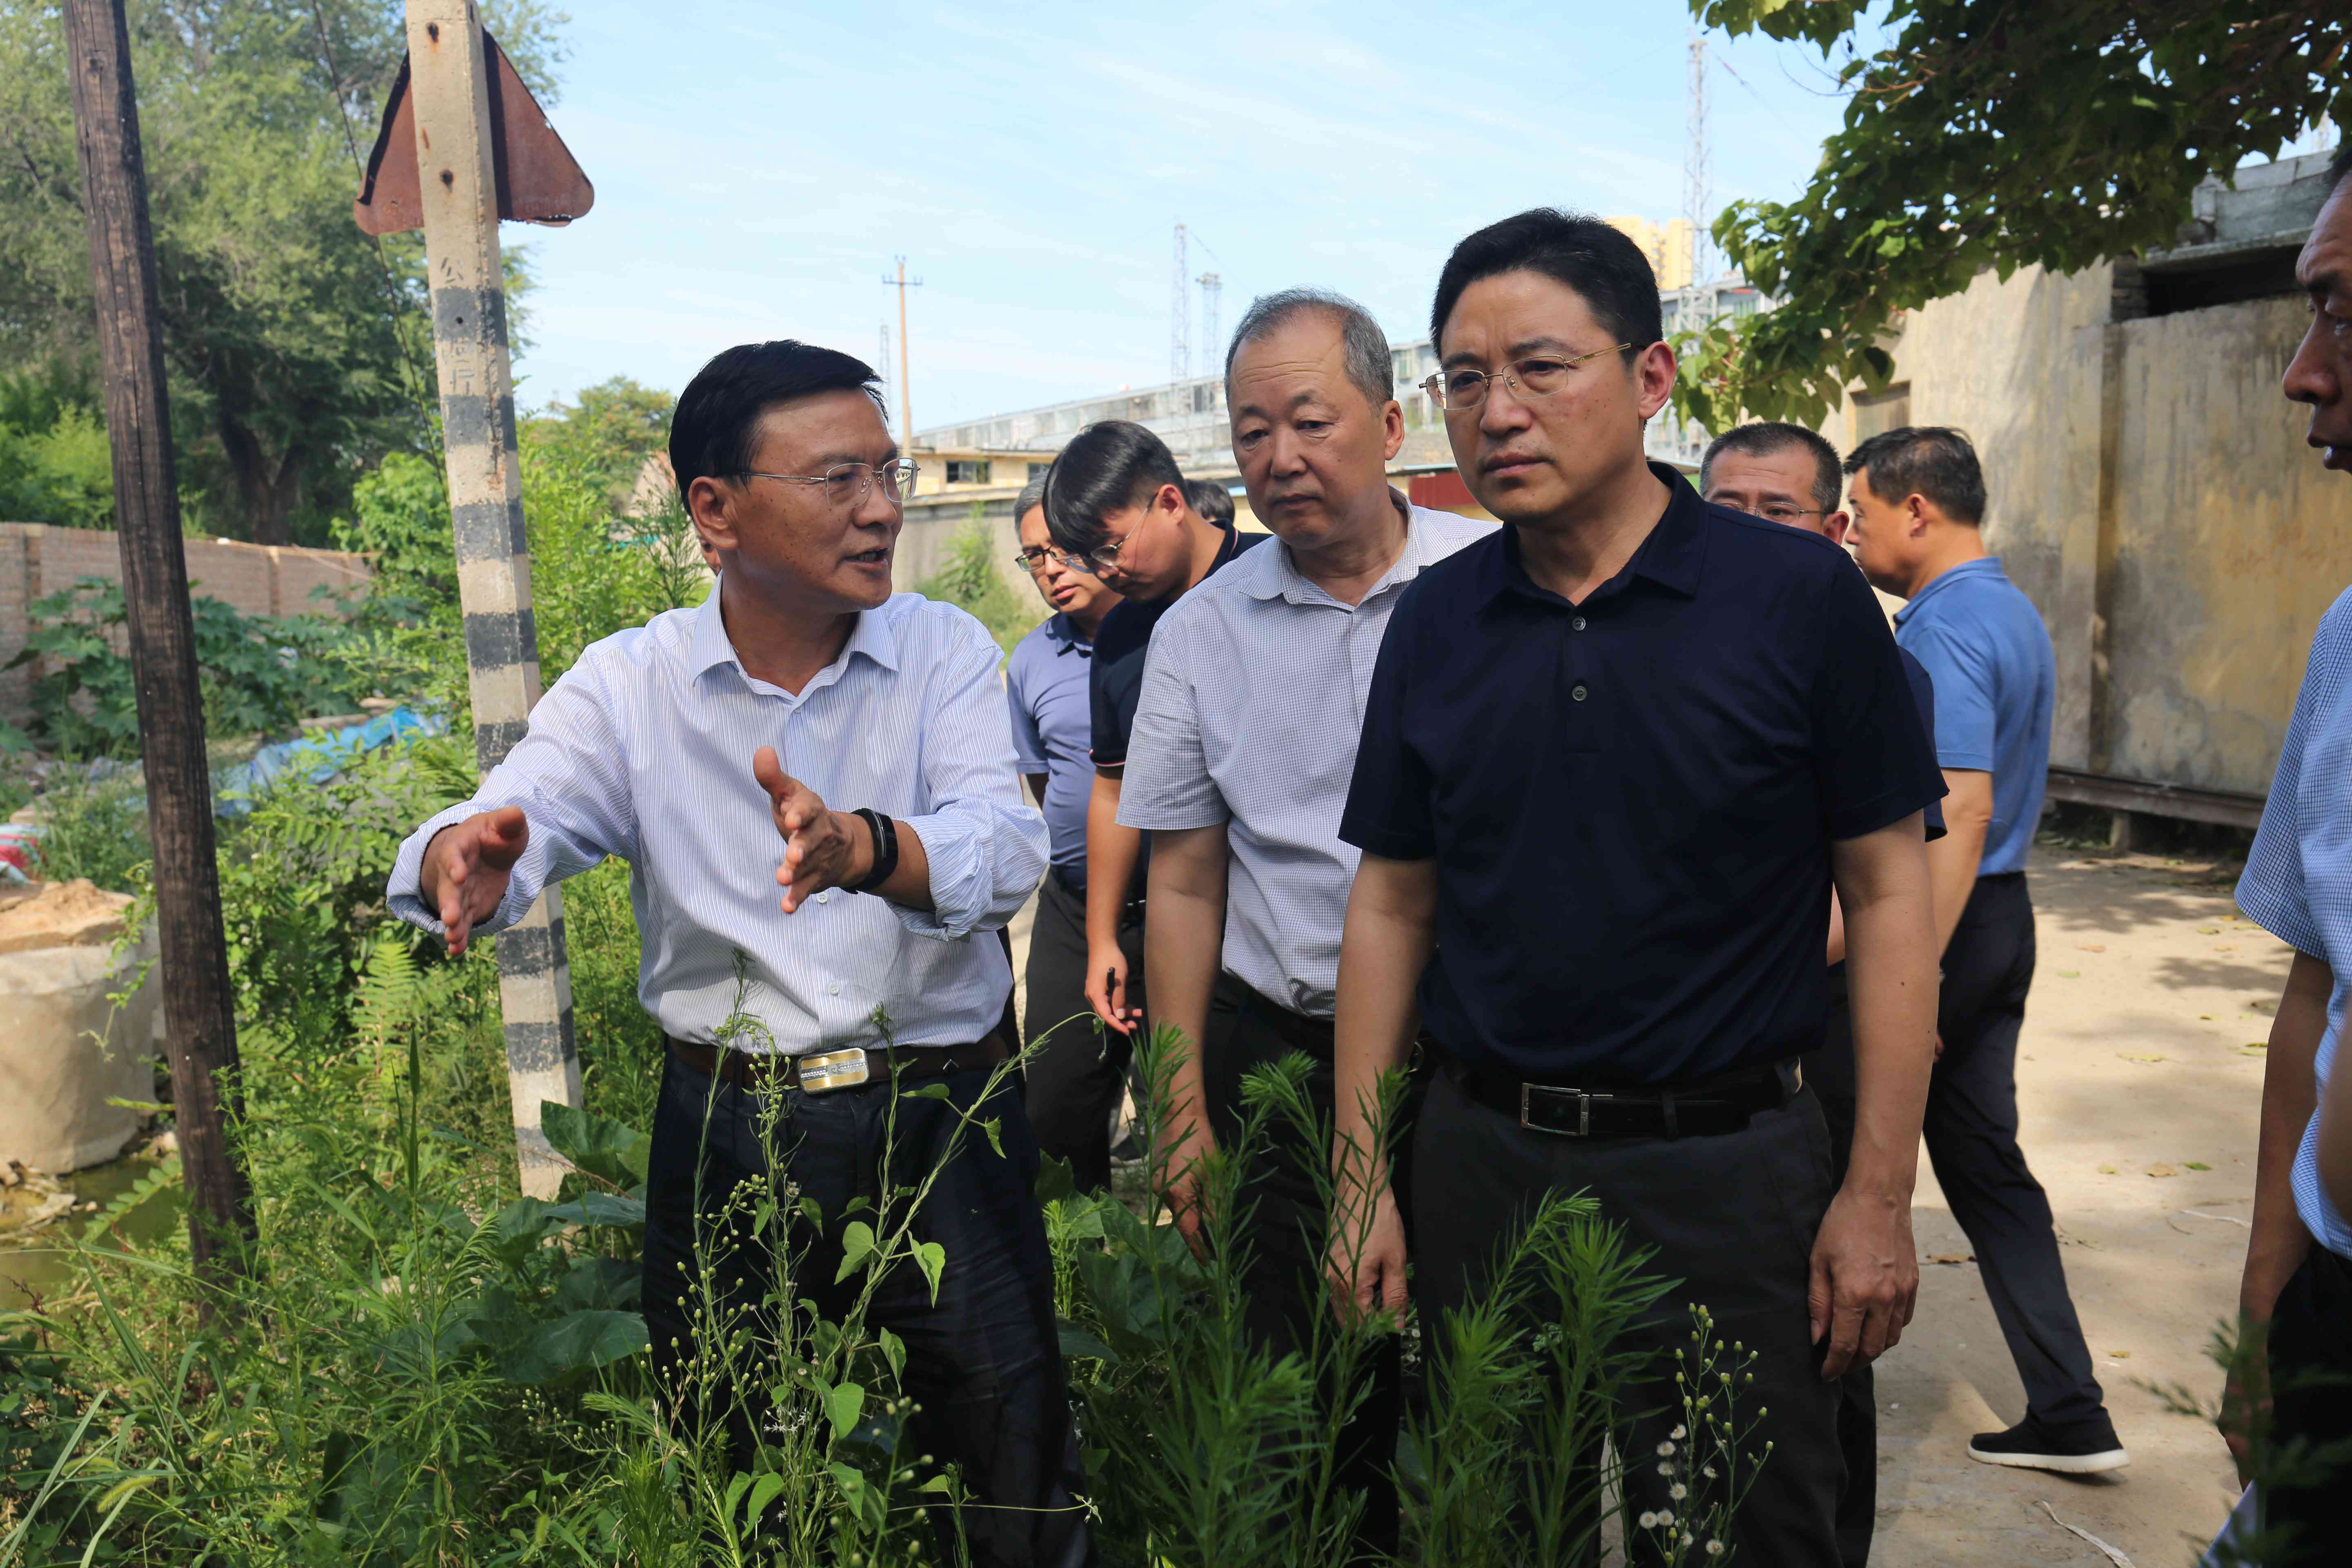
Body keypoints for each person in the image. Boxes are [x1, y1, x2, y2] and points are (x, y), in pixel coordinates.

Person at [386, 341, 1091, 1568]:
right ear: (714, 509)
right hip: (729, 1128)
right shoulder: (633, 684)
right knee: (738, 1472)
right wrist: (469, 850)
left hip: (943, 1115)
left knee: (1010, 1461)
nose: (881, 509)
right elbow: (526, 803)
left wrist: (866, 847)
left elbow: (1004, 851)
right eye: (837, 478)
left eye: (887, 472)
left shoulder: (941, 650)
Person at [1327, 209, 1945, 1565]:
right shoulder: (1437, 623)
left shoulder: (1796, 598)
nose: (1497, 412)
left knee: (1736, 1533)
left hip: (1729, 1177)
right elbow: (1391, 905)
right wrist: (1363, 1180)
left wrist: (1878, 1191)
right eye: (1466, 379)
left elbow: (1892, 895)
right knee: (1491, 1530)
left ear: (1652, 376)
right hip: (1488, 1167)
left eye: (1542, 369)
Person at [1117, 287, 1491, 1549]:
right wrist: (1179, 1109)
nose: (1280, 457)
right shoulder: (1200, 634)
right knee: (1311, 1393)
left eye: (1311, 422)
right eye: (1252, 430)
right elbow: (1184, 880)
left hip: (1475, 1064)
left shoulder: (1490, 586)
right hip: (1281, 1055)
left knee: (1488, 1377)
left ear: (1390, 425)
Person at [1844, 425, 2126, 1478]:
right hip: (2004, 916)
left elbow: (1960, 810)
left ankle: (1806, 1421)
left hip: (1948, 922)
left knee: (1831, 1148)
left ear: (1916, 511)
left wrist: (1912, 974)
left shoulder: (1946, 630)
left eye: (1861, 513)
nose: (1852, 535)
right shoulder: (2009, 610)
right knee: (1985, 1164)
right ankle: (2072, 1410)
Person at [1702, 420, 1947, 1568]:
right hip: (1709, 1035)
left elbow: (1885, 884)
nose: (1751, 534)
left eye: (1779, 513)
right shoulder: (1671, 644)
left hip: (1816, 1020)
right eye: (1727, 512)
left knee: (1826, 1315)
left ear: (1835, 528)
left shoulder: (1873, 662)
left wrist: (1755, 962)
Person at [2233, 139, 2352, 1564]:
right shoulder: (2348, 637)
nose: (2302, 375)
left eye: (2345, 318)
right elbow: (2315, 993)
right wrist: (2265, 1304)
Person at [1040, 421, 1262, 1050]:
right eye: (1088, 558)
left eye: (1112, 548)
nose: (1104, 572)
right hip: (1178, 922)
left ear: (1169, 502)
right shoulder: (1119, 636)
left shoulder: (1276, 578)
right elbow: (1112, 790)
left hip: (1277, 930)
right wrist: (1103, 938)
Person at [1005, 473, 1132, 1191]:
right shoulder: (1030, 661)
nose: (1050, 569)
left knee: (1196, 1106)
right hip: (1073, 909)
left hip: (1182, 908)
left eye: (1061, 548)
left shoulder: (1168, 630)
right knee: (1055, 1108)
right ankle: (1077, 1255)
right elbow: (1047, 789)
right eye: (1034, 557)